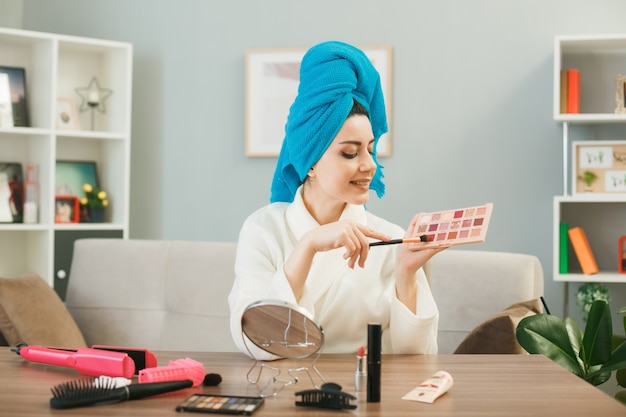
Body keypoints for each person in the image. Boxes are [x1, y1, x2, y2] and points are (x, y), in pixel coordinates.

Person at [228, 41, 445, 360]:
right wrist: (308, 245)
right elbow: (254, 342)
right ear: (311, 162)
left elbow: (415, 359)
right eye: (349, 152)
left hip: (363, 399)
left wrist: (406, 276)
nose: (370, 165)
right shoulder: (263, 229)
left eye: (370, 149)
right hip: (283, 393)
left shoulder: (388, 239)